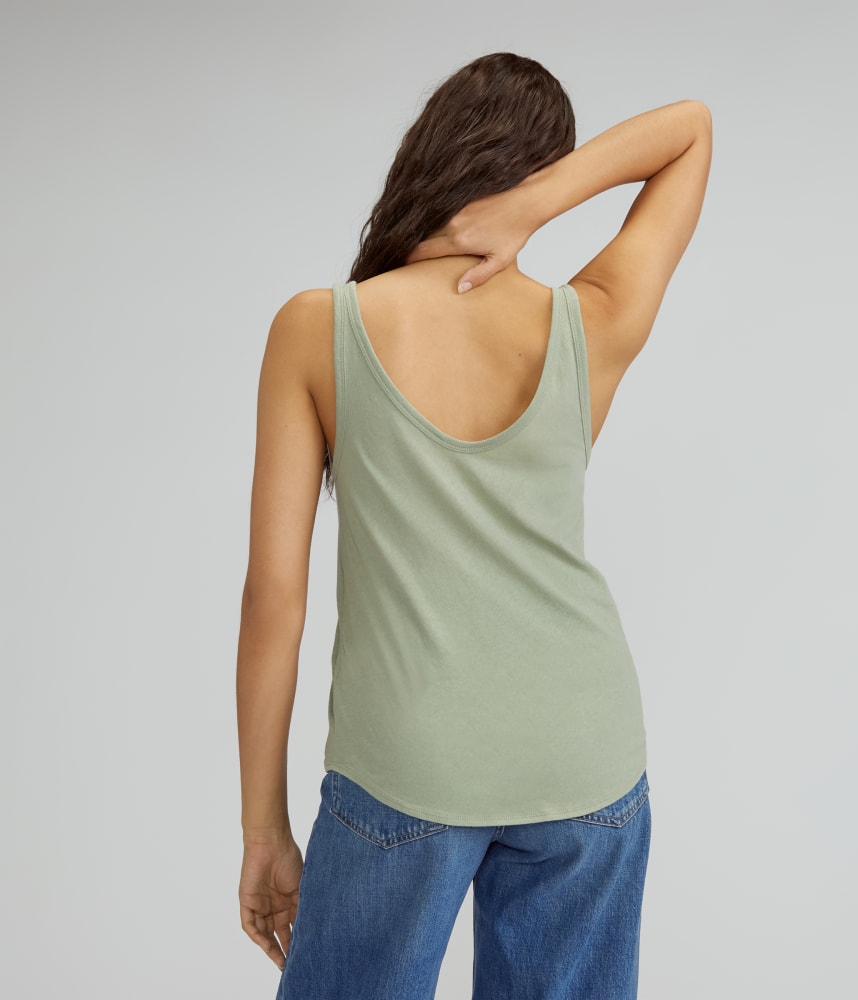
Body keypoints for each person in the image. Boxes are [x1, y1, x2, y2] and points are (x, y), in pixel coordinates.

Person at [237, 51, 711, 1000]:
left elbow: (274, 602)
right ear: (539, 172)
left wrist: (264, 831)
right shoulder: (589, 322)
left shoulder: (317, 327)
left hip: (408, 760)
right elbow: (690, 130)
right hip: (584, 756)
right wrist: (541, 204)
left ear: (425, 152)